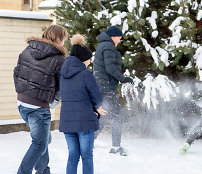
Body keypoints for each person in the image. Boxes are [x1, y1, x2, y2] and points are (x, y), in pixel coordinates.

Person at [13, 24, 68, 174]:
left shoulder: (28, 50)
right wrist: (54, 101)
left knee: (44, 140)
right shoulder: (59, 58)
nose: (64, 43)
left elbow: (16, 72)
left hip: (22, 103)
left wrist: (21, 91)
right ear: (58, 38)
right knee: (40, 144)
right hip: (38, 107)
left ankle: (43, 171)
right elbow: (63, 85)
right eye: (63, 39)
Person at [59, 34, 107, 174]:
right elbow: (96, 96)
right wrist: (97, 105)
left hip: (67, 122)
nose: (90, 62)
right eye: (89, 59)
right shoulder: (85, 74)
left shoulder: (63, 75)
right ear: (83, 60)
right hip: (84, 122)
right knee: (86, 156)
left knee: (72, 156)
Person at [93, 25, 134, 156]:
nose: (120, 40)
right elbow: (110, 68)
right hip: (106, 87)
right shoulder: (108, 46)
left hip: (102, 86)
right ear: (113, 36)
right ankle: (116, 147)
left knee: (104, 115)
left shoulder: (103, 46)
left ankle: (88, 141)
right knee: (118, 116)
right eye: (119, 37)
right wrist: (123, 78)